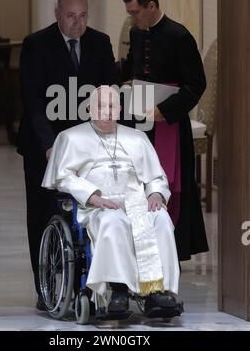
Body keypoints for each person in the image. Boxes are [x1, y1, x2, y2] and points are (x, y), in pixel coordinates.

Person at [17, 0, 117, 307]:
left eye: (83, 16)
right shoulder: (36, 45)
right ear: (57, 12)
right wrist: (50, 146)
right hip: (44, 145)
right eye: (71, 16)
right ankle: (45, 288)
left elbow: (109, 93)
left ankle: (88, 286)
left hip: (88, 147)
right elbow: (34, 102)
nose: (77, 23)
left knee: (91, 213)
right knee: (43, 215)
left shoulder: (100, 43)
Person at [42, 86, 181, 315]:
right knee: (114, 221)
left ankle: (159, 291)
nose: (106, 112)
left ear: (120, 110)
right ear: (88, 109)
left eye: (111, 106)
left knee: (161, 219)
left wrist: (155, 193)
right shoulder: (70, 137)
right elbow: (63, 177)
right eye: (99, 106)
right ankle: (119, 291)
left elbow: (156, 176)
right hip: (95, 207)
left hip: (136, 203)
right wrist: (93, 197)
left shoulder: (138, 138)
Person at [121, 0, 208, 261]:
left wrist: (165, 110)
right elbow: (132, 68)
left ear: (151, 6)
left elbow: (196, 85)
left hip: (169, 124)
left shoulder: (179, 36)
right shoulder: (136, 34)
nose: (132, 19)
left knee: (169, 185)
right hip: (140, 122)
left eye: (135, 12)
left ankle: (170, 249)